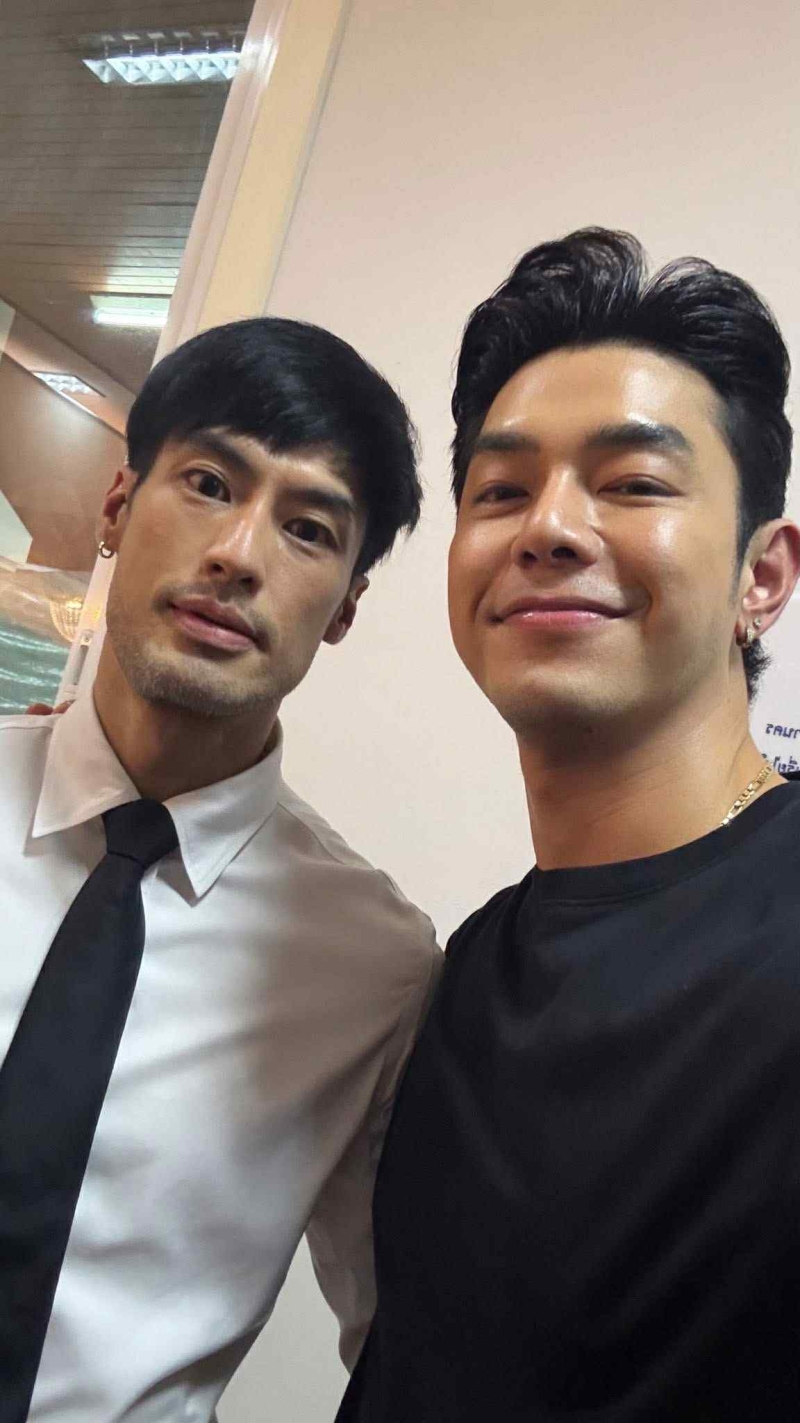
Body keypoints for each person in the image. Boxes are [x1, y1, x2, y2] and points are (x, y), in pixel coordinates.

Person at [336, 229, 800, 1421]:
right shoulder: (464, 971)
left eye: (632, 482)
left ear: (761, 575)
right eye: (499, 491)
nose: (546, 527)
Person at [0, 317, 439, 1422]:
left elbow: (408, 1341)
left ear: (344, 609)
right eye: (207, 482)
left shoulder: (373, 967)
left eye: (308, 528)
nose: (239, 554)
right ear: (116, 505)